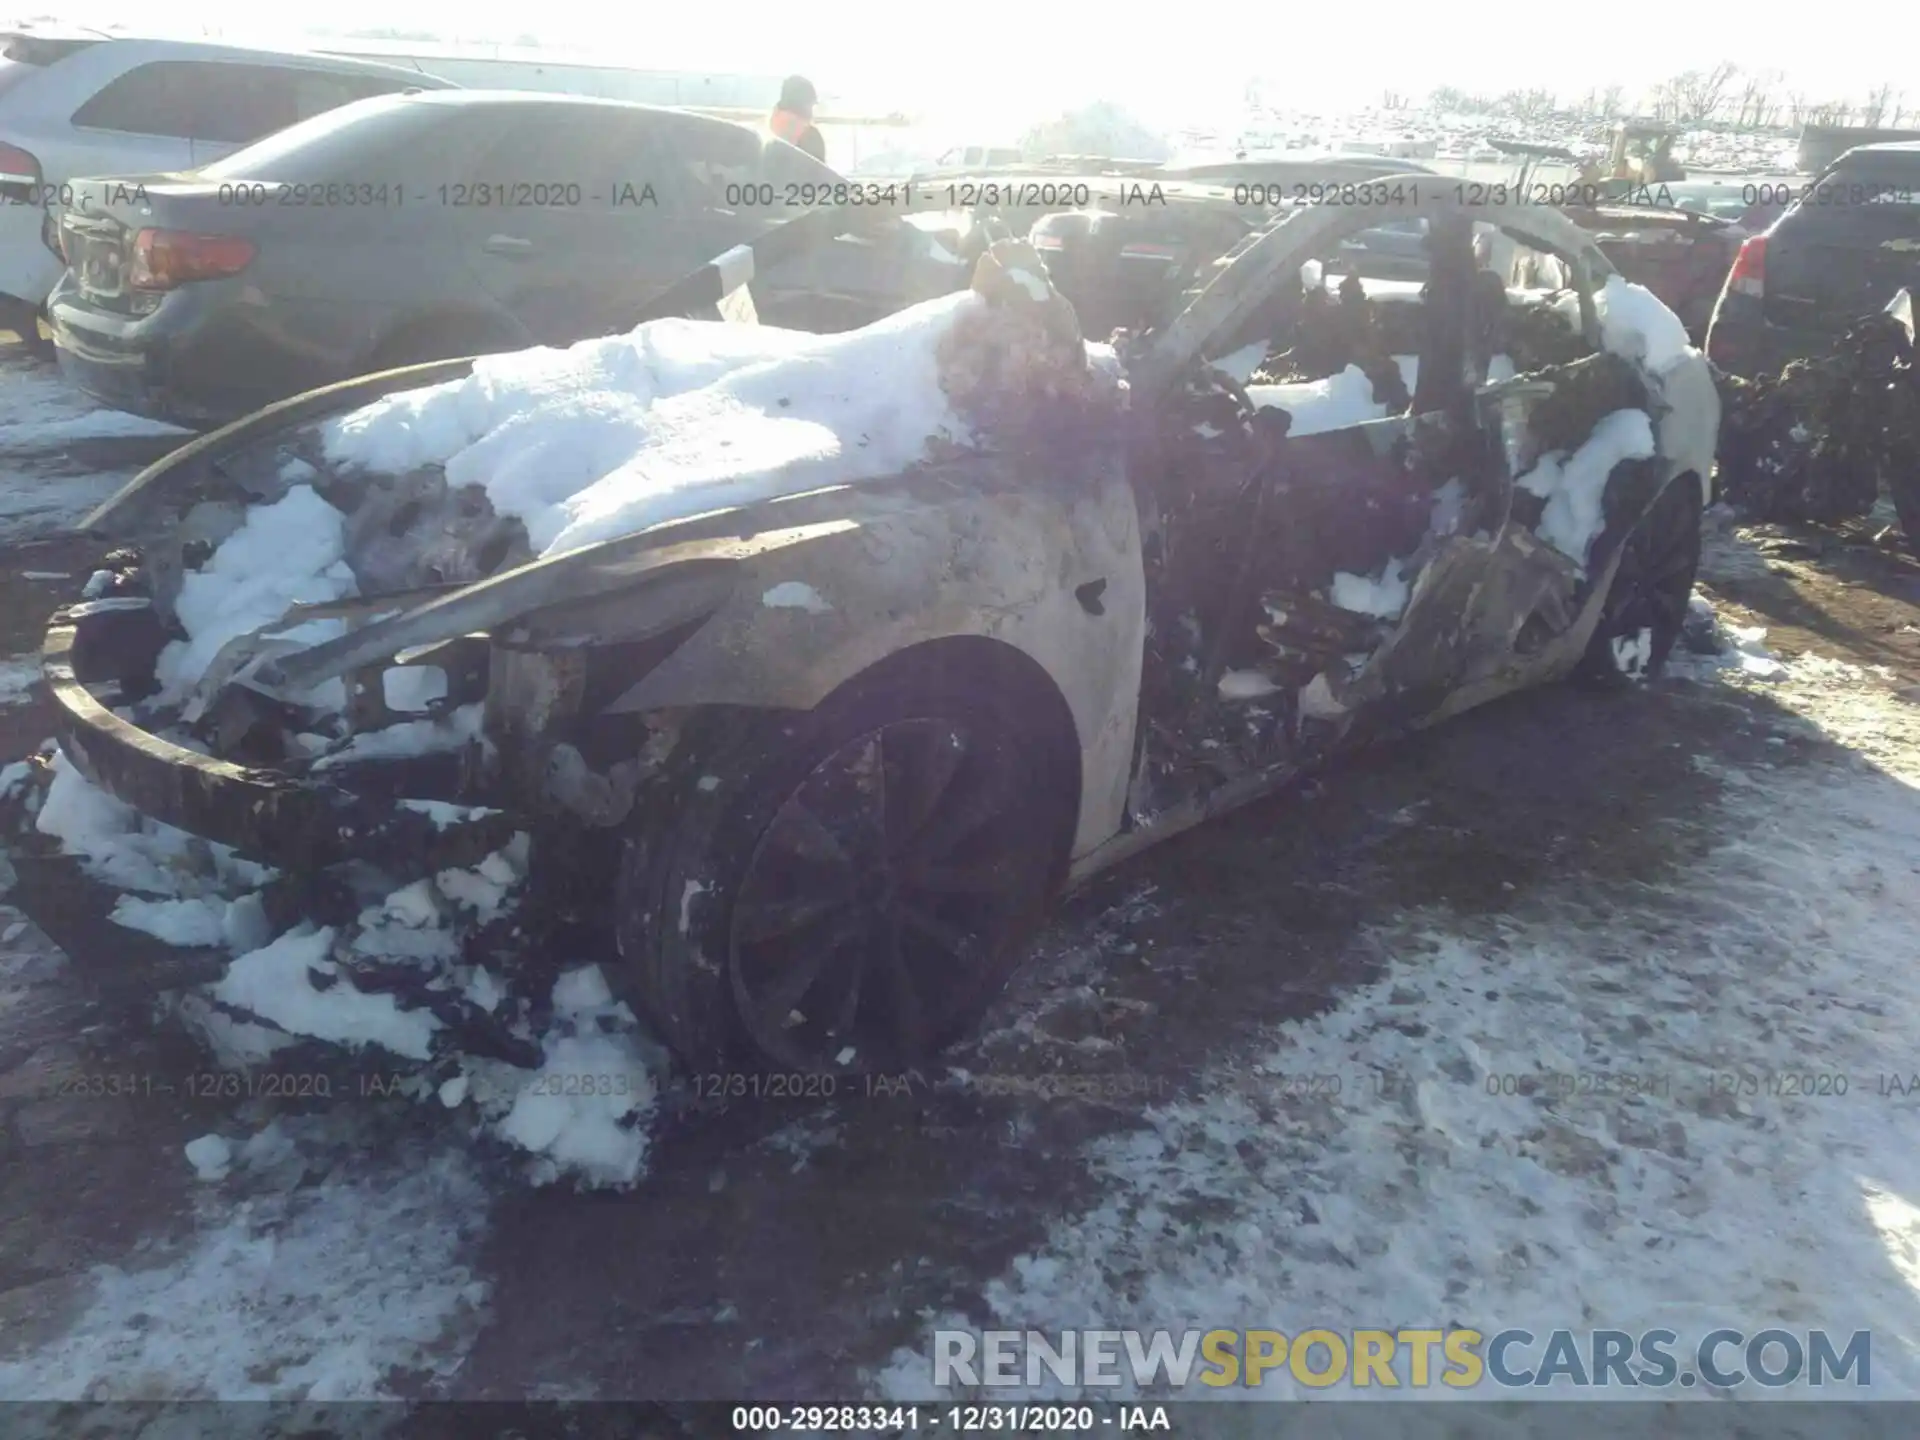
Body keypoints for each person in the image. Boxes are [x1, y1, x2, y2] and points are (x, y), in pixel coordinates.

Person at [769, 75, 826, 164]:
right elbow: (821, 175)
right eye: (811, 105)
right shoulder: (811, 136)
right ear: (807, 105)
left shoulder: (764, 133)